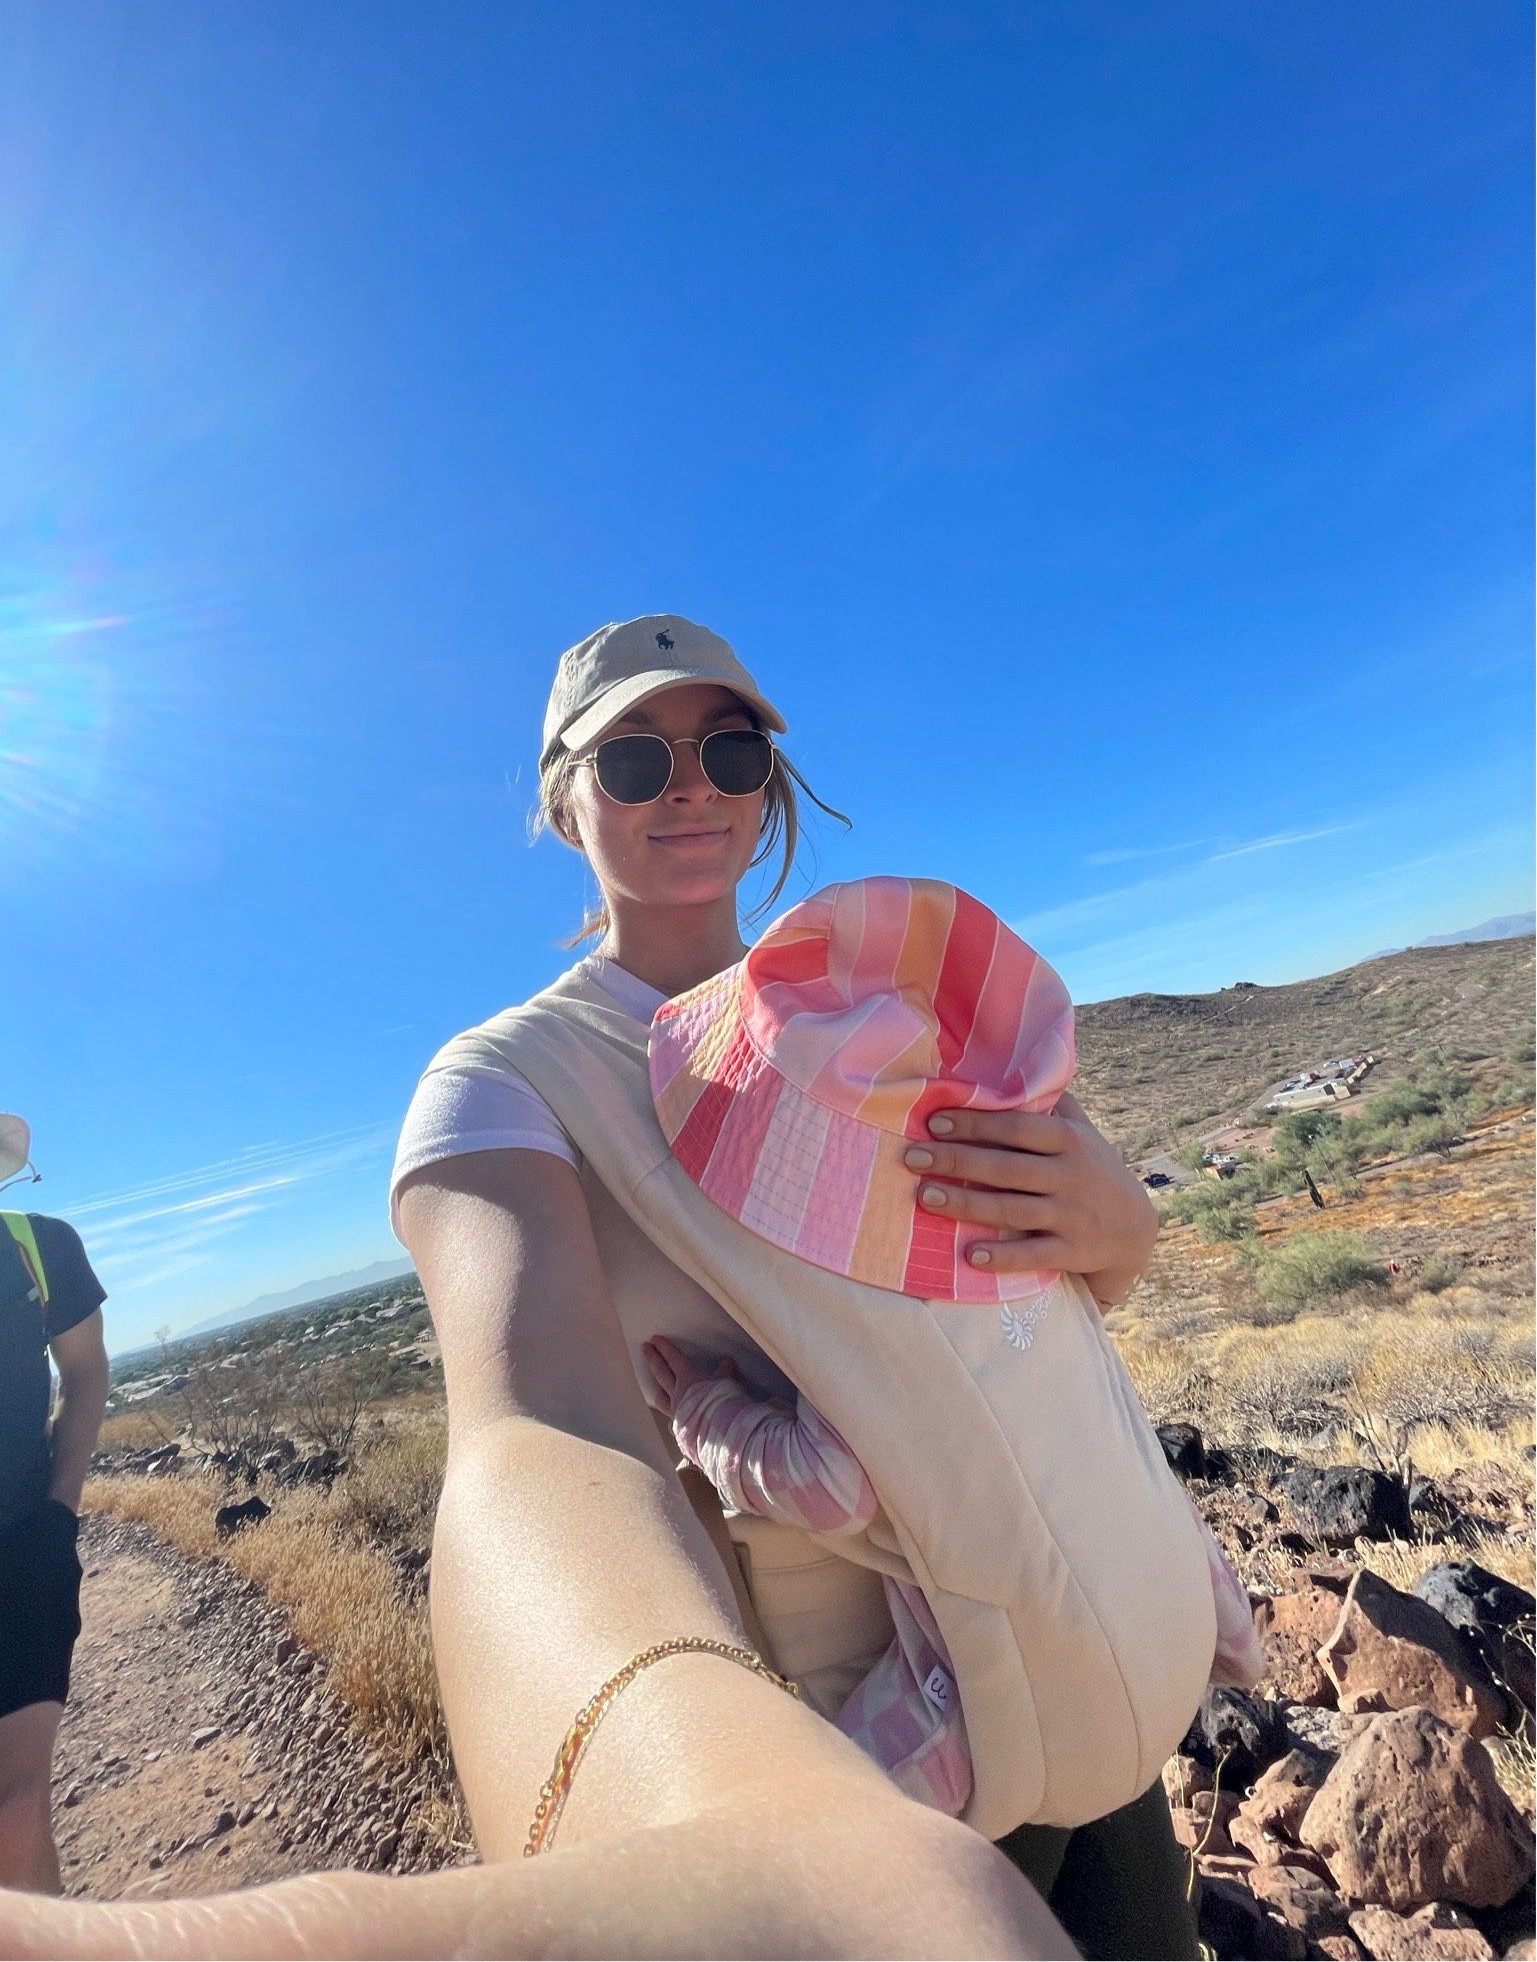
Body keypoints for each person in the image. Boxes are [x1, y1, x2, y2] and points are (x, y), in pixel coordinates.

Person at [385, 615, 1197, 1959]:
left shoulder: (865, 1001)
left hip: (1076, 1589)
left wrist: (1122, 1227)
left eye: (728, 745)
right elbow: (529, 1443)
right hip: (860, 1740)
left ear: (767, 780)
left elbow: (1000, 1317)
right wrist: (687, 1780)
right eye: (634, 759)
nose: (691, 781)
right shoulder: (506, 1082)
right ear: (562, 799)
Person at [0, 1119, 111, 1894]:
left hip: (21, 1546)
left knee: (14, 1807)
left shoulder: (39, 1248)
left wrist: (57, 1512)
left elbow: (86, 1372)